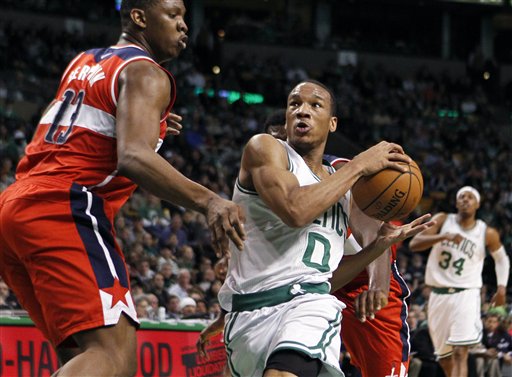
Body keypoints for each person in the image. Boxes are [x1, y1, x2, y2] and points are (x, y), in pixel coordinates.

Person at [0, 1, 246, 376]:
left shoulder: (85, 60)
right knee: (114, 356)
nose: (184, 26)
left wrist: (152, 121)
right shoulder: (147, 72)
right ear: (139, 17)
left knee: (84, 355)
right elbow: (132, 156)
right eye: (174, 15)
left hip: (16, 206)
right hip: (62, 206)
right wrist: (209, 200)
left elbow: (87, 128)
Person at [217, 80, 433, 377]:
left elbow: (321, 283)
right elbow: (296, 211)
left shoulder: (344, 181)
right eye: (294, 104)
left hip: (308, 308)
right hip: (248, 314)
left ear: (333, 124)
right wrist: (359, 165)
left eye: (314, 105)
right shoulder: (264, 147)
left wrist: (378, 249)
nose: (302, 111)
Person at [409, 186, 510, 377]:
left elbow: (502, 259)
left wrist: (502, 288)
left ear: (478, 204)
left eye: (470, 197)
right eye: (461, 197)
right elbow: (414, 244)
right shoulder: (442, 220)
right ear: (456, 202)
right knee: (444, 357)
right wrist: (443, 236)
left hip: (466, 294)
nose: (465, 200)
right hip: (438, 295)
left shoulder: (486, 232)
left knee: (459, 352)